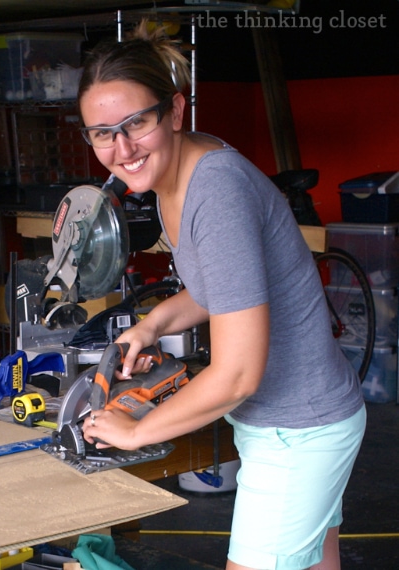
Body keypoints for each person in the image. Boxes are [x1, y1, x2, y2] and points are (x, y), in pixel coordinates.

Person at [78, 21, 366, 570]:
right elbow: (221, 288)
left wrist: (136, 431)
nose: (122, 148)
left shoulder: (217, 192)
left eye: (136, 122)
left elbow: (237, 374)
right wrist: (154, 324)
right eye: (102, 133)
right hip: (296, 419)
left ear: (176, 111)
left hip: (297, 429)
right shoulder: (172, 180)